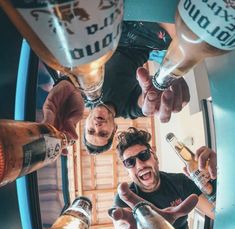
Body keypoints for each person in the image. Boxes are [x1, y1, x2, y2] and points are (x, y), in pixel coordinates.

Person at [43, 21, 190, 154]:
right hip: (138, 39)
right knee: (182, 31)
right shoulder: (128, 109)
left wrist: (66, 80)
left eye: (91, 130)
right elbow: (144, 103)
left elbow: (76, 66)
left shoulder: (81, 96)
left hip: (104, 30)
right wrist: (158, 91)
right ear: (114, 129)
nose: (98, 126)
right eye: (103, 133)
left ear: (85, 123)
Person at [108, 127, 216, 229]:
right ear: (127, 170)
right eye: (130, 162)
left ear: (155, 157)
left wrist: (214, 183)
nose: (140, 165)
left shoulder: (179, 183)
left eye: (144, 155)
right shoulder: (125, 197)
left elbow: (216, 214)